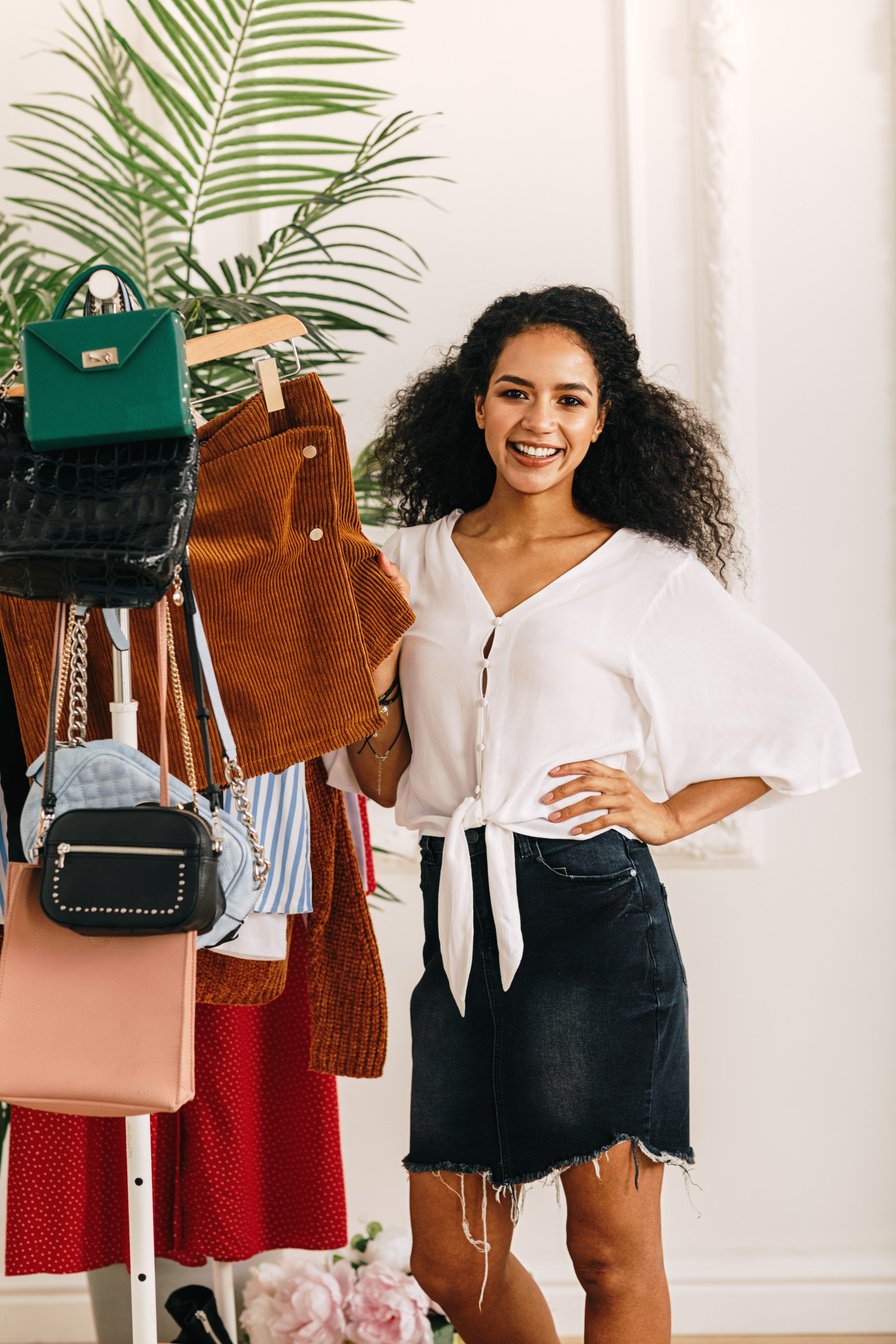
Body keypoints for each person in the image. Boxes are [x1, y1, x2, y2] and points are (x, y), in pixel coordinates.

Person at [327, 285, 859, 1344]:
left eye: (569, 400)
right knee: (452, 1258)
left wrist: (665, 814)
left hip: (593, 920)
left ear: (603, 417)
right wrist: (380, 685)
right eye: (514, 393)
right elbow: (385, 781)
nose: (539, 422)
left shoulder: (646, 575)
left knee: (606, 1253)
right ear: (472, 405)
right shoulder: (406, 563)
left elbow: (798, 719)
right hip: (458, 921)